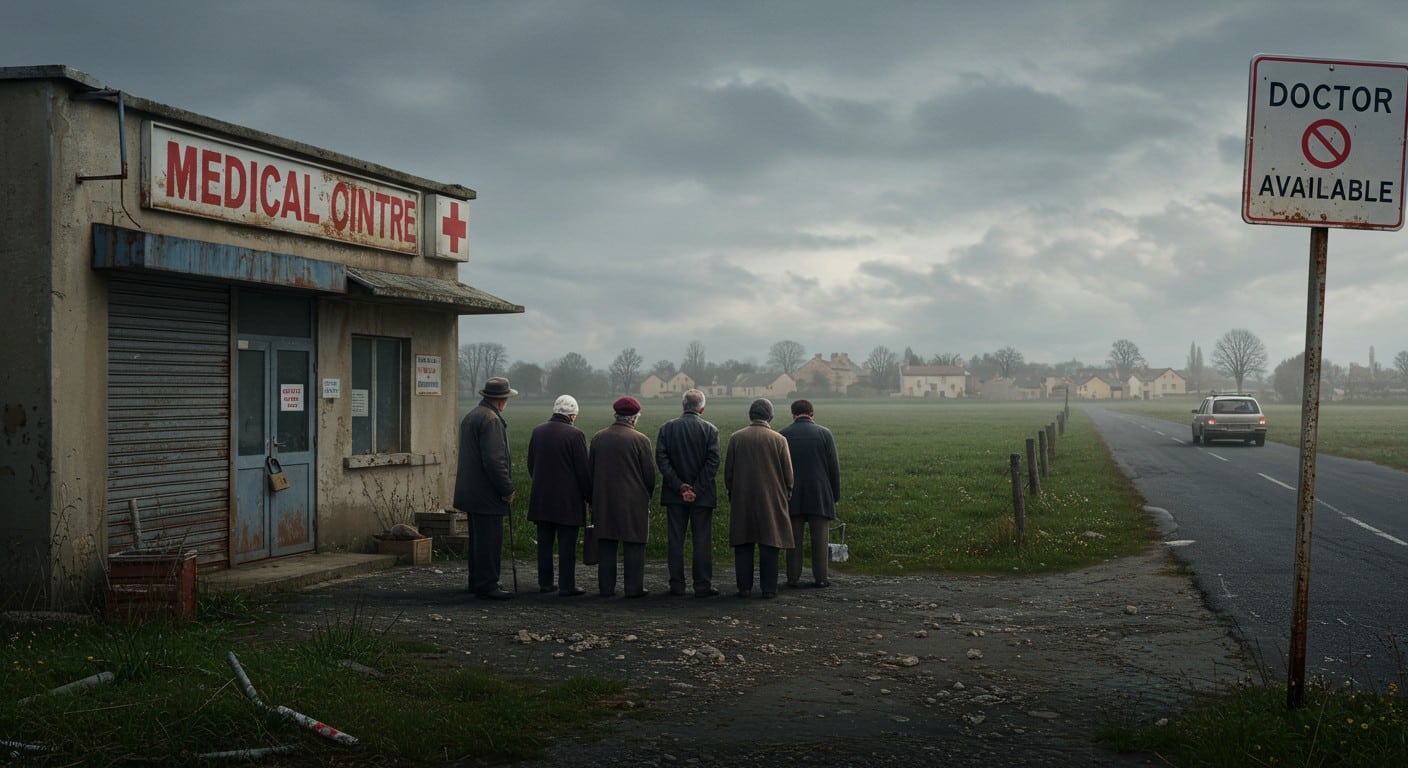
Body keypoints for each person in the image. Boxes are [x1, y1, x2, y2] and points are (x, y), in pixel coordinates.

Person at [453, 376, 518, 600]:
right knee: (489, 540)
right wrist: (507, 489)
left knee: (478, 541)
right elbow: (495, 461)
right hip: (486, 493)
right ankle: (488, 584)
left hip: (471, 491)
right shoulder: (491, 420)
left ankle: (476, 581)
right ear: (502, 400)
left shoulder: (472, 416)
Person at [723, 398, 794, 598]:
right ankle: (769, 588)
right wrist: (786, 493)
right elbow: (788, 475)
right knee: (770, 543)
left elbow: (729, 472)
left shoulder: (736, 438)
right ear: (770, 416)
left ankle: (744, 587)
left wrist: (733, 491)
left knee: (743, 543)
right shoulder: (779, 439)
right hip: (772, 498)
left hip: (742, 497)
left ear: (750, 415)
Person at [655, 389, 721, 597]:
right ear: (702, 407)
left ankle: (677, 584)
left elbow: (662, 460)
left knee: (676, 540)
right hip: (703, 496)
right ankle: (702, 585)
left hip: (675, 495)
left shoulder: (667, 428)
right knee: (702, 540)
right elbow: (713, 463)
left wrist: (680, 486)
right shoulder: (711, 430)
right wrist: (697, 488)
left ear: (683, 405)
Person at [588, 397, 656, 598]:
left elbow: (590, 471)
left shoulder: (598, 438)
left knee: (607, 544)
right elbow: (649, 476)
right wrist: (646, 496)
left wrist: (592, 499)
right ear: (634, 418)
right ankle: (633, 588)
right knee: (634, 543)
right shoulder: (641, 440)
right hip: (633, 502)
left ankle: (606, 588)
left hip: (604, 500)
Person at [526, 395, 592, 597]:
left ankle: (545, 583)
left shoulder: (537, 431)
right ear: (572, 416)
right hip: (567, 501)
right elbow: (583, 470)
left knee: (544, 544)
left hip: (541, 497)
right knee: (567, 545)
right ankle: (567, 585)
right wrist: (589, 497)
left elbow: (531, 464)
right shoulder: (575, 435)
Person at [780, 399, 841, 589]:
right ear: (812, 413)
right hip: (820, 494)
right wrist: (834, 495)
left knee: (793, 541)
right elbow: (834, 468)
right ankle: (821, 578)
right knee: (820, 540)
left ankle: (793, 578)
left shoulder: (783, 435)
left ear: (793, 414)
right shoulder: (824, 434)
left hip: (792, 495)